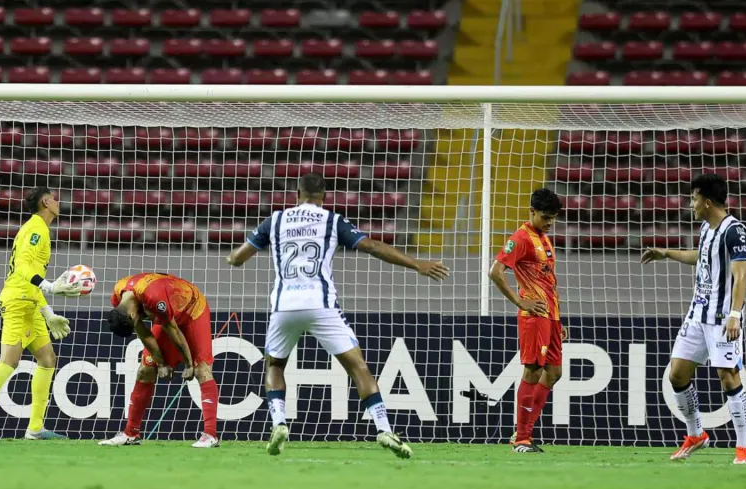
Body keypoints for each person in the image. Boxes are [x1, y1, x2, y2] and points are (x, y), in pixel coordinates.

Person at [226, 172, 449, 458]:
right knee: (358, 368)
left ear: (296, 194)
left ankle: (279, 422)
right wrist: (417, 264)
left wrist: (231, 257)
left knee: (275, 366)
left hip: (285, 305)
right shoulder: (332, 220)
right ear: (325, 196)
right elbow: (372, 246)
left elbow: (239, 258)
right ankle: (383, 428)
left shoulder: (276, 220)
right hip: (321, 304)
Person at [641, 173, 746, 465]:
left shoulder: (735, 231)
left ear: (706, 200)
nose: (690, 204)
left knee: (728, 378)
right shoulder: (706, 229)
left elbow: (741, 275)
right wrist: (667, 253)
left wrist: (735, 315)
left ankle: (743, 447)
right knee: (677, 374)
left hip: (722, 318)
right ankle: (696, 435)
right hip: (696, 316)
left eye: (693, 198)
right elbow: (700, 257)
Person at [0, 187, 84, 440]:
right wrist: (49, 286)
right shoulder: (36, 228)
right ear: (46, 202)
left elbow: (31, 276)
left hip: (30, 302)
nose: (58, 203)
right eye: (55, 199)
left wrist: (47, 312)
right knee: (10, 360)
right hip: (17, 300)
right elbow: (23, 266)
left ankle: (35, 428)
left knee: (48, 359)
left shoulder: (39, 228)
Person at [99, 273, 220, 448]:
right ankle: (130, 434)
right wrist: (161, 363)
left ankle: (211, 435)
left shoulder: (153, 297)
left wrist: (188, 364)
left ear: (132, 315)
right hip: (166, 316)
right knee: (145, 370)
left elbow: (173, 330)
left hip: (192, 311)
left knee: (202, 370)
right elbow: (142, 332)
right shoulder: (118, 297)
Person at [488, 188, 566, 453]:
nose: (550, 222)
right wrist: (519, 301)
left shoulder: (543, 238)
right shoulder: (520, 238)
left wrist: (557, 319)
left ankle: (524, 433)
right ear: (531, 212)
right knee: (532, 371)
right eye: (545, 217)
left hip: (550, 316)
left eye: (553, 218)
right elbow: (495, 271)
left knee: (554, 373)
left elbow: (546, 280)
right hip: (534, 317)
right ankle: (522, 439)